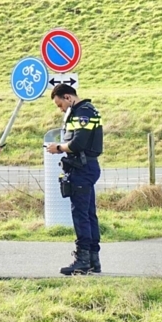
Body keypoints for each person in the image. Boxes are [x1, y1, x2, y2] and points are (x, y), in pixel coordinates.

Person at [47, 84, 103, 275]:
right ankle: (94, 260)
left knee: (80, 215)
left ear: (68, 97)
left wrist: (59, 148)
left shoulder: (82, 113)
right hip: (87, 166)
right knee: (88, 214)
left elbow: (78, 142)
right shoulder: (87, 110)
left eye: (60, 104)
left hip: (82, 168)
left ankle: (82, 260)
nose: (61, 109)